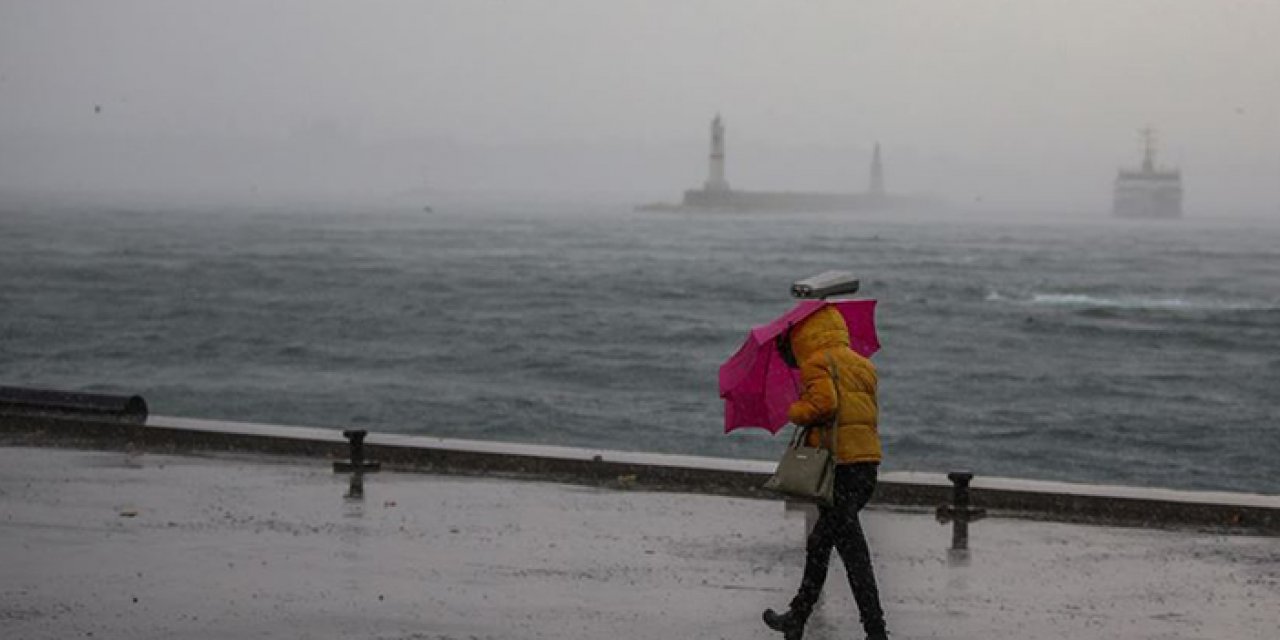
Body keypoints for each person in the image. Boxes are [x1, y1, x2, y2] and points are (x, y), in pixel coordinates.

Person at [764, 305, 888, 640]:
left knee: (851, 553)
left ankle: (875, 630)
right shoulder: (863, 364)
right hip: (865, 464)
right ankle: (798, 616)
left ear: (805, 335)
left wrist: (795, 410)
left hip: (838, 469)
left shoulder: (817, 362)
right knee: (823, 544)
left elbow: (825, 404)